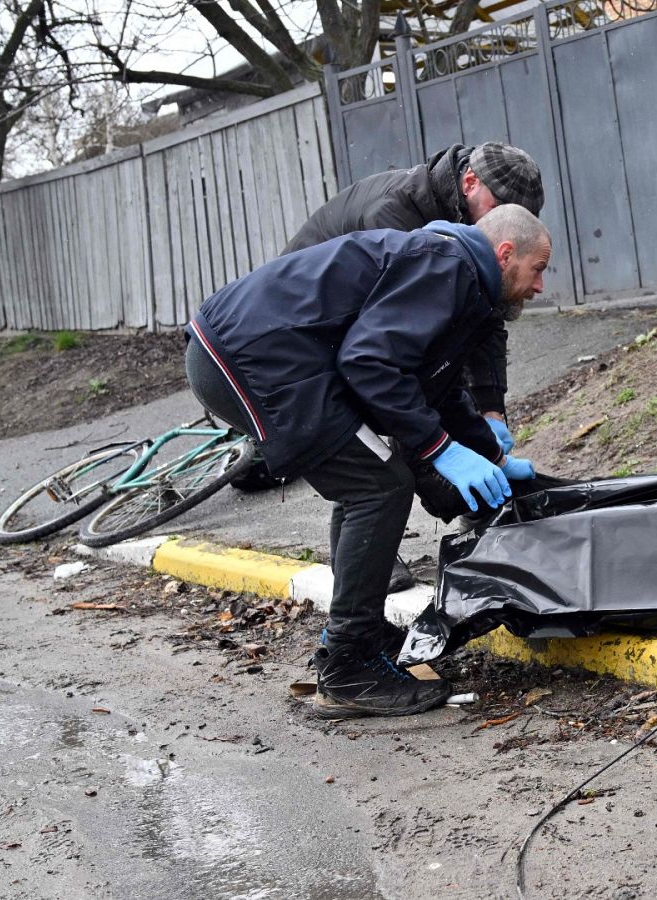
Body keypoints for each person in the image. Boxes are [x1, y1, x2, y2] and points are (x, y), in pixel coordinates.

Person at [184, 205, 552, 717]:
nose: (539, 287)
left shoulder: (457, 274)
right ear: (505, 254)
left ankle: (361, 632)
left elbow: (437, 390)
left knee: (366, 478)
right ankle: (347, 667)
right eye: (538, 269)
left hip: (244, 350)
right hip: (249, 358)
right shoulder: (445, 267)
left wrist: (491, 456)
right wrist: (441, 451)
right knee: (377, 486)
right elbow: (368, 361)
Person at [280, 141, 546, 589]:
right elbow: (389, 357)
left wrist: (490, 413)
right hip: (310, 325)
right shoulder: (399, 218)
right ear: (469, 182)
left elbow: (482, 324)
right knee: (366, 449)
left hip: (366, 332)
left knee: (421, 415)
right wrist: (442, 453)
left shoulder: (473, 236)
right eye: (499, 209)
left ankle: (478, 514)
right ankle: (364, 562)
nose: (503, 222)